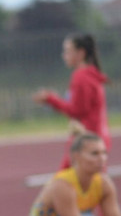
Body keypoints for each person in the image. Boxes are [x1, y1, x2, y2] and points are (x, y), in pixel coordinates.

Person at [33, 33, 111, 169]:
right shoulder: (91, 74)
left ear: (80, 53)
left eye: (68, 51)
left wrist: (50, 99)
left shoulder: (81, 76)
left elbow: (77, 110)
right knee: (93, 186)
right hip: (96, 139)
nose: (64, 55)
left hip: (85, 142)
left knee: (62, 185)